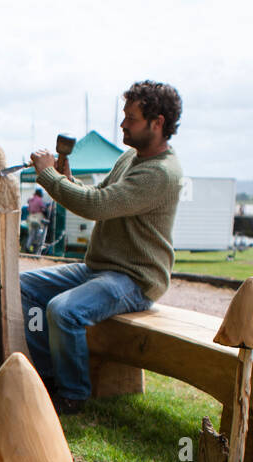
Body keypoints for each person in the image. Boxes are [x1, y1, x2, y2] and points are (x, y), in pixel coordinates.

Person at [18, 81, 183, 415]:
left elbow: (98, 206)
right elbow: (99, 196)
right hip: (100, 270)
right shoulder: (129, 157)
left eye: (131, 118)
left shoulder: (161, 173)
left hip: (134, 279)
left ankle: (73, 395)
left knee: (64, 310)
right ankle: (48, 376)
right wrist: (65, 179)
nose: (123, 124)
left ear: (158, 123)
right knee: (26, 289)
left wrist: (50, 176)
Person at [23, 187, 48, 253]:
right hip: (38, 218)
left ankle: (27, 247)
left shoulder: (31, 199)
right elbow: (43, 208)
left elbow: (28, 209)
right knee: (38, 234)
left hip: (31, 218)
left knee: (31, 233)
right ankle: (36, 249)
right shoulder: (39, 200)